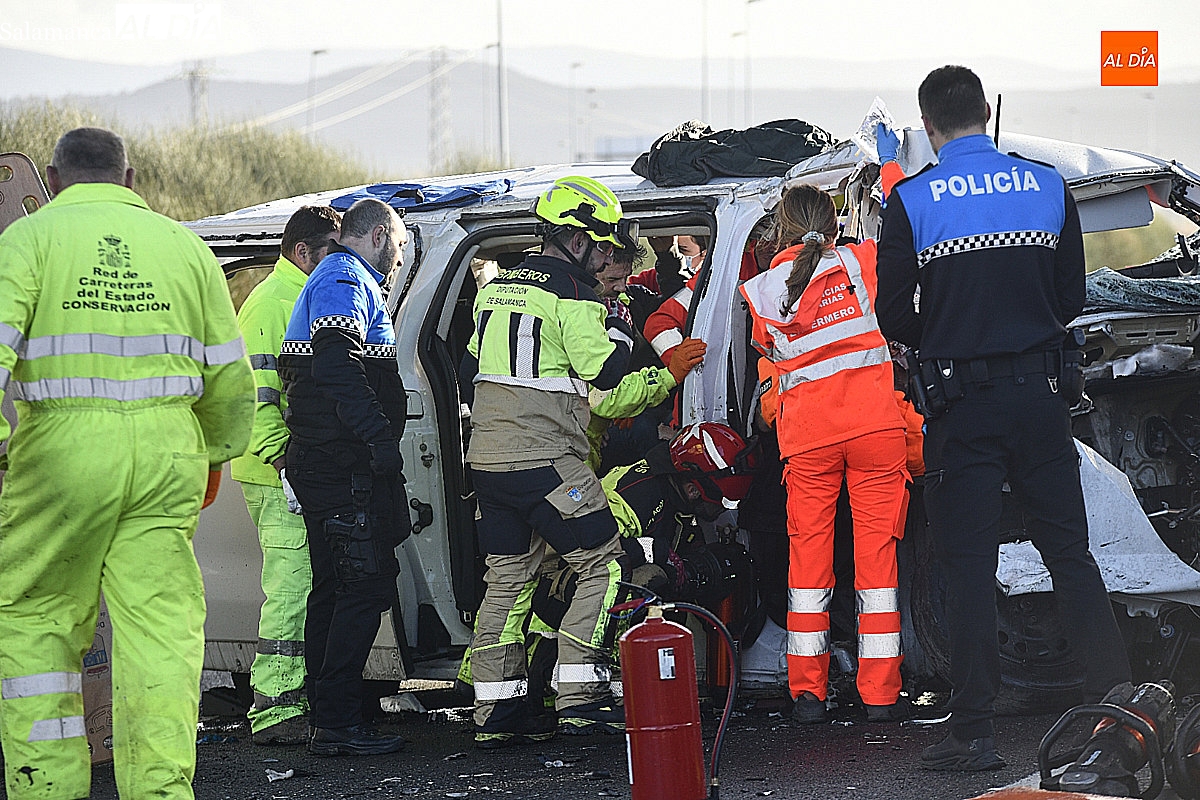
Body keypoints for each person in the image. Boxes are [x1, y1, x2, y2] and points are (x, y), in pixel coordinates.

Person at [875, 65, 1131, 771]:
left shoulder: (914, 199)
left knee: (967, 564)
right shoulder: (1046, 183)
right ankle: (1119, 713)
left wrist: (950, 336)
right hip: (1043, 400)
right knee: (1071, 556)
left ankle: (975, 734)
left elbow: (892, 312)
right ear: (986, 113)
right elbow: (1072, 295)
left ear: (928, 124)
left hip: (963, 405)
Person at [0, 127, 255, 799]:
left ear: (52, 180)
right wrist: (213, 454)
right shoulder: (184, 248)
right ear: (132, 178)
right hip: (168, 460)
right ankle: (162, 790)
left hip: (58, 460)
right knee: (161, 635)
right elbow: (230, 381)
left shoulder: (25, 243)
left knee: (37, 625)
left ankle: (45, 788)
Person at [460, 175, 635, 748]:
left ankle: (497, 710)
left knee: (507, 578)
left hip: (487, 461)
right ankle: (579, 697)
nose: (606, 255)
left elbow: (469, 366)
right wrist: (626, 339)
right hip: (546, 461)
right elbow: (607, 374)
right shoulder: (576, 294)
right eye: (603, 243)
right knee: (604, 563)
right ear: (577, 240)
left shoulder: (494, 286)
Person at [740, 180, 909, 727]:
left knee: (807, 567)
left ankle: (808, 694)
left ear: (781, 231)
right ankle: (880, 694)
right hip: (876, 430)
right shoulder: (863, 263)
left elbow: (769, 365)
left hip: (809, 438)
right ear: (836, 227)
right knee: (877, 565)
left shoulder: (764, 292)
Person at [278, 198, 410, 757]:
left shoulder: (341, 278)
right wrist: (378, 437)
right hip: (341, 467)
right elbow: (334, 364)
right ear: (379, 236)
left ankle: (337, 711)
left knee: (338, 587)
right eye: (400, 247)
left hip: (331, 464)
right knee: (362, 585)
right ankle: (337, 721)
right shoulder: (342, 276)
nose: (400, 261)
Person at [230, 205, 341, 745]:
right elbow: (255, 396)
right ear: (303, 252)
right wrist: (286, 460)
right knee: (291, 588)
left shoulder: (298, 297)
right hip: (277, 472)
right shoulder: (274, 303)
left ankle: (298, 696)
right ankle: (274, 709)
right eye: (331, 252)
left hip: (291, 468)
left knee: (307, 585)